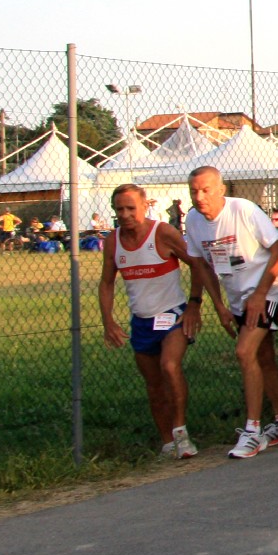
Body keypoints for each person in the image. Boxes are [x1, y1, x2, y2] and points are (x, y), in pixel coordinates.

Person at [183, 166, 278, 459]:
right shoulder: (193, 220)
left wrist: (259, 295)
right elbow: (201, 265)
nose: (199, 196)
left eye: (206, 189)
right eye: (194, 190)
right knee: (263, 356)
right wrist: (218, 306)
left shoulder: (243, 210)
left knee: (244, 352)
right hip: (236, 297)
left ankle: (253, 431)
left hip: (266, 290)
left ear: (221, 190)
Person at [97, 183, 210, 459]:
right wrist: (108, 321)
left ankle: (181, 433)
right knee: (154, 384)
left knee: (170, 366)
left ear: (145, 205)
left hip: (172, 315)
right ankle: (166, 442)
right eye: (119, 209)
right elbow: (107, 282)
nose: (124, 214)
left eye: (130, 208)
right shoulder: (113, 241)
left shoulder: (163, 233)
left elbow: (197, 264)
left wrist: (195, 304)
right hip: (142, 321)